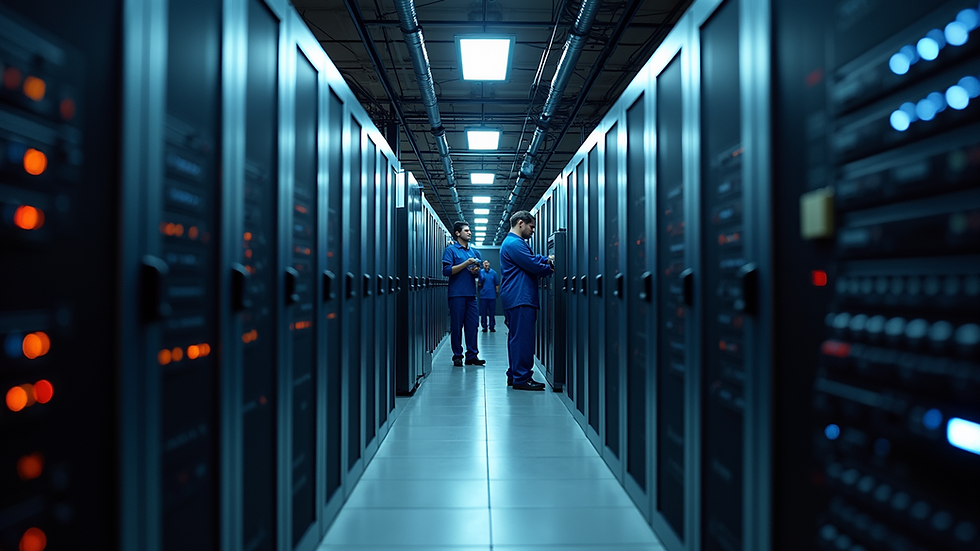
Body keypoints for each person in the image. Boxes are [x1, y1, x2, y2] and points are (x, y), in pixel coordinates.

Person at [499, 210, 554, 390]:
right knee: (523, 339)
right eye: (531, 227)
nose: (533, 230)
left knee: (516, 337)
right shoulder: (514, 243)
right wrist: (551, 267)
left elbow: (531, 258)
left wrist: (546, 259)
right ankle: (522, 378)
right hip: (520, 296)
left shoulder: (514, 243)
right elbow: (532, 265)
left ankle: (514, 374)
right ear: (520, 223)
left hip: (516, 296)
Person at [442, 221, 486, 367]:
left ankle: (472, 355)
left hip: (471, 295)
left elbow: (477, 274)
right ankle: (457, 356)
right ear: (457, 233)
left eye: (469, 230)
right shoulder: (451, 250)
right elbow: (446, 271)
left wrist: (476, 271)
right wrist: (465, 264)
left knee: (473, 326)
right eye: (466, 230)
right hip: (457, 294)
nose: (469, 232)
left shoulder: (475, 252)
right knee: (456, 326)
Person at [477, 259, 500, 333]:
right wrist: (480, 281)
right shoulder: (480, 272)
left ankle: (492, 326)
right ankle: (484, 327)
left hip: (492, 296)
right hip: (483, 296)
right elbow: (478, 284)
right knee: (483, 312)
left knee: (492, 312)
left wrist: (497, 292)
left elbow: (497, 284)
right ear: (483, 264)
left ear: (489, 264)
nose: (486, 264)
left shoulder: (494, 273)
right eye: (484, 263)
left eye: (487, 263)